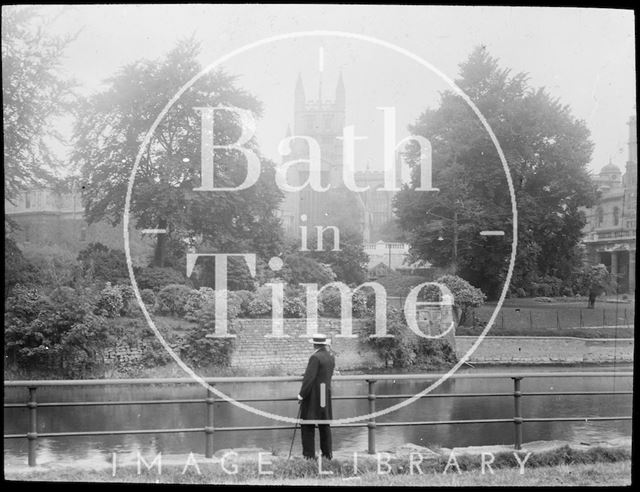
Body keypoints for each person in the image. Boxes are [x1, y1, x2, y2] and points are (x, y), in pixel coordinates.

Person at [297, 333, 335, 460]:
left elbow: (309, 378)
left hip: (314, 396)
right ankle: (327, 455)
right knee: (324, 425)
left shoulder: (315, 357)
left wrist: (301, 395)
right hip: (324, 393)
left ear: (315, 344)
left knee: (307, 425)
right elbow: (323, 373)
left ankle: (309, 456)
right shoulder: (330, 356)